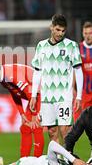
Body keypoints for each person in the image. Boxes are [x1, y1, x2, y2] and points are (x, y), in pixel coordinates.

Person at [29, 14, 84, 145]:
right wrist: (33, 95)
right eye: (58, 30)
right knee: (52, 132)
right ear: (51, 27)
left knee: (65, 131)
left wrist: (79, 96)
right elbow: (37, 71)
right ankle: (56, 163)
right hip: (47, 97)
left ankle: (68, 162)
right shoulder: (41, 46)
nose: (60, 33)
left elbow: (78, 70)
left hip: (64, 95)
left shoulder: (71, 46)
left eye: (63, 31)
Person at [0, 60, 44, 157]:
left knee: (35, 127)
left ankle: (37, 161)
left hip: (42, 95)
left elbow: (32, 93)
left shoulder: (11, 75)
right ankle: (24, 162)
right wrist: (22, 113)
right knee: (25, 128)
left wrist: (35, 115)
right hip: (34, 97)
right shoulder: (3, 78)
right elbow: (14, 93)